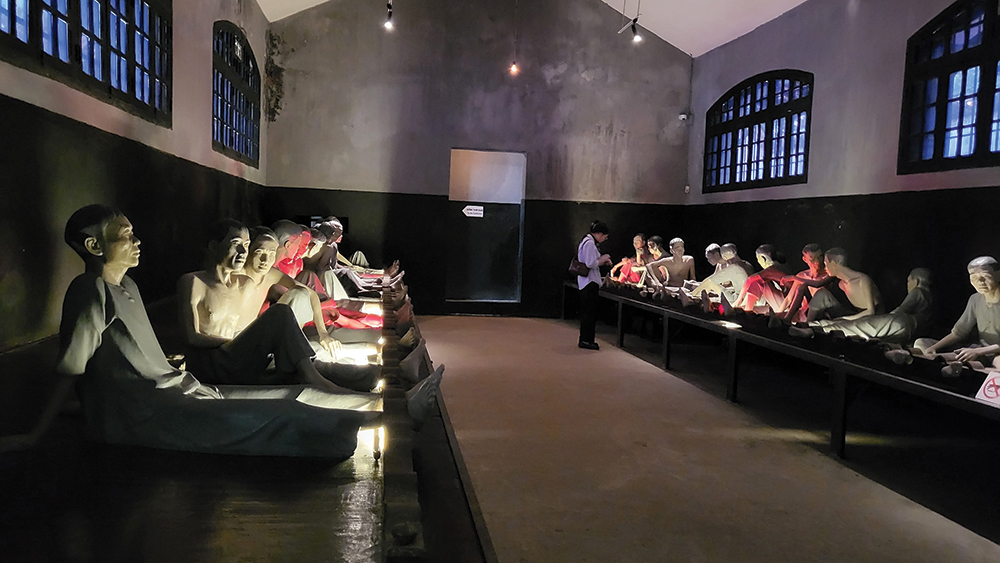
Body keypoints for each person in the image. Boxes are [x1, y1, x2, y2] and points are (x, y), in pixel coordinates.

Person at [56, 205, 384, 458]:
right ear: (94, 245)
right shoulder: (91, 289)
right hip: (153, 405)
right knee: (283, 411)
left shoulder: (127, 285)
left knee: (291, 392)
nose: (137, 241)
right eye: (126, 235)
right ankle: (370, 419)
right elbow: (71, 368)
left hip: (180, 383)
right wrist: (43, 428)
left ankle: (378, 404)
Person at [177, 220, 377, 393]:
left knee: (300, 362)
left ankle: (370, 376)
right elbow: (191, 337)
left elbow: (303, 295)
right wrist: (241, 342)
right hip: (214, 363)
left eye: (245, 246)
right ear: (214, 246)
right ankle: (314, 378)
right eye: (236, 244)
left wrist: (321, 333)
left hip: (239, 356)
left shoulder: (244, 283)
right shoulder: (193, 282)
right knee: (282, 318)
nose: (242, 252)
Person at [807, 267, 933, 343]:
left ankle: (813, 328)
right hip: (906, 328)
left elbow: (901, 309)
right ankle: (816, 326)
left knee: (856, 326)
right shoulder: (930, 296)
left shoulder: (918, 291)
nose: (907, 285)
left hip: (901, 322)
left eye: (908, 281)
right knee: (856, 326)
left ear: (915, 281)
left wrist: (885, 318)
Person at [915, 257, 1000, 366]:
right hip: (978, 350)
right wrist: (933, 348)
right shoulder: (975, 299)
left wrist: (979, 351)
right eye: (974, 278)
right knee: (926, 349)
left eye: (985, 276)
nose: (980, 282)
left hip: (994, 354)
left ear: (998, 275)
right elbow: (959, 332)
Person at [577, 220, 612, 350]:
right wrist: (604, 258)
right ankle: (587, 340)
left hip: (586, 281)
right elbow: (590, 263)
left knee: (588, 312)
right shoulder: (590, 244)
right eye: (605, 237)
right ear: (599, 234)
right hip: (590, 282)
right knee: (589, 313)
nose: (604, 239)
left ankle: (586, 339)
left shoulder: (586, 241)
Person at [733, 244, 790, 313]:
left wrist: (739, 299)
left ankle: (747, 311)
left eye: (758, 258)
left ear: (763, 258)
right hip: (781, 303)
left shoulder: (772, 269)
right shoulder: (779, 266)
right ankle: (747, 309)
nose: (758, 261)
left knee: (757, 283)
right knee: (752, 309)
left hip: (785, 305)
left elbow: (750, 279)